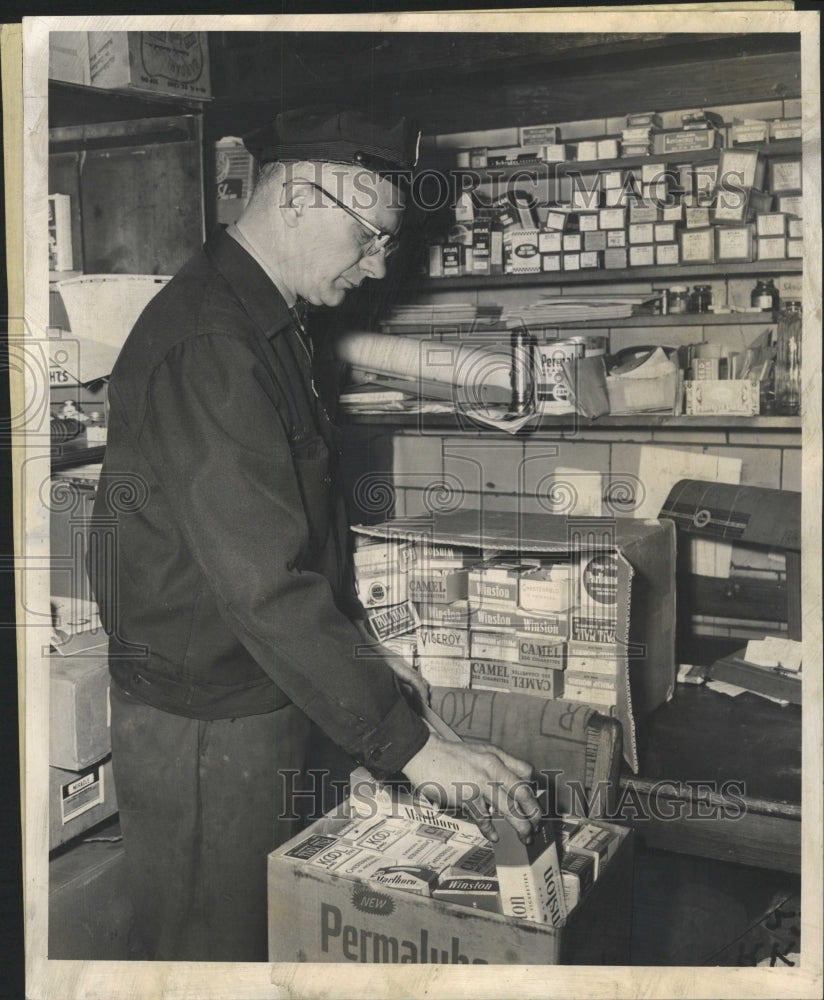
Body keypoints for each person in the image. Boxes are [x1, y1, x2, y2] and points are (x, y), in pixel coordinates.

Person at [88, 106, 541, 962]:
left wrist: (381, 672)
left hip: (262, 696)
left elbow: (299, 536)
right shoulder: (212, 341)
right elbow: (264, 584)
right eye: (372, 237)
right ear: (298, 195)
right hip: (207, 724)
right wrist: (414, 749)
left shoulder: (274, 326)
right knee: (210, 953)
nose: (376, 268)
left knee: (272, 943)